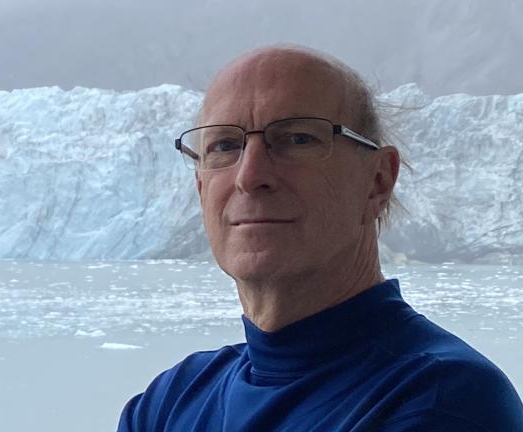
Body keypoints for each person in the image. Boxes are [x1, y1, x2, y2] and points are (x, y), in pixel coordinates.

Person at [117, 45, 523, 431]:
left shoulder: (441, 400)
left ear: (378, 181)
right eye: (224, 145)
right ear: (201, 187)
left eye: (297, 138)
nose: (249, 176)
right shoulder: (169, 401)